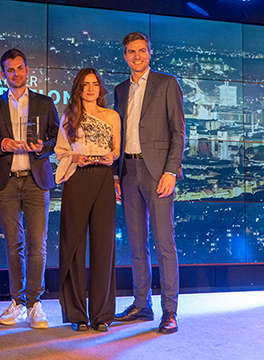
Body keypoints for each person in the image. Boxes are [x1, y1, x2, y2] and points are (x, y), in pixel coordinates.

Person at [113, 31, 185, 334]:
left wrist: (171, 171)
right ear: (125, 55)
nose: (137, 56)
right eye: (131, 51)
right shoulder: (119, 90)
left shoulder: (167, 83)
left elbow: (178, 132)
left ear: (150, 53)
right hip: (128, 172)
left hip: (158, 174)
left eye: (142, 50)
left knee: (164, 243)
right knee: (136, 243)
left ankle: (170, 310)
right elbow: (117, 134)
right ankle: (141, 303)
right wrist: (116, 173)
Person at [0, 48, 59, 329]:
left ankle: (34, 303)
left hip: (36, 180)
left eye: (19, 68)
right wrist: (2, 144)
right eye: (10, 70)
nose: (15, 74)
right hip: (6, 181)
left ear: (27, 70)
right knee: (14, 245)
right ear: (3, 75)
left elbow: (55, 137)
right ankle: (17, 302)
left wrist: (43, 147)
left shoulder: (44, 102)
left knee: (37, 246)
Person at [55, 68, 120, 332]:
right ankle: (77, 314)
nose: (91, 88)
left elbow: (117, 149)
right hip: (77, 179)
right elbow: (60, 151)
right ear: (78, 88)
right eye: (85, 84)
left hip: (103, 178)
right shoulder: (69, 117)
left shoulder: (112, 116)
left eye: (95, 84)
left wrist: (111, 157)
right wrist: (74, 157)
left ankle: (102, 315)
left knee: (104, 247)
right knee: (73, 245)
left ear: (101, 88)